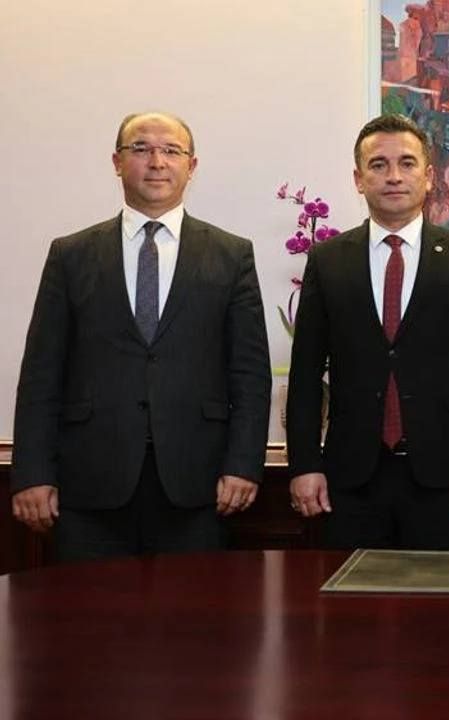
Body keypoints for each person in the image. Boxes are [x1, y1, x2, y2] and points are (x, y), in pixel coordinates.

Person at [11, 112, 271, 560]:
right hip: (89, 484)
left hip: (198, 483)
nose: (157, 161)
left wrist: (244, 464)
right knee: (89, 606)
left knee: (192, 605)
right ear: (117, 162)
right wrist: (32, 473)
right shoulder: (71, 255)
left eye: (171, 150)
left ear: (191, 165)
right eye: (141, 149)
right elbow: (41, 373)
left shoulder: (231, 255)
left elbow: (249, 374)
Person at [286, 114, 449, 550]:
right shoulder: (328, 260)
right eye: (378, 165)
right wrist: (304, 463)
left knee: (438, 594)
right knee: (349, 594)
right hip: (351, 476)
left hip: (444, 475)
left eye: (407, 163)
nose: (393, 176)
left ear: (428, 177)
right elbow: (306, 372)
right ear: (359, 179)